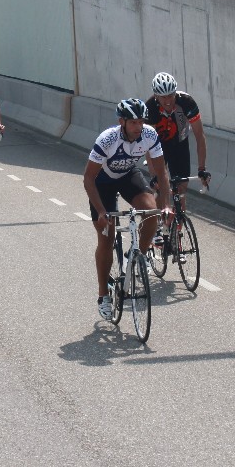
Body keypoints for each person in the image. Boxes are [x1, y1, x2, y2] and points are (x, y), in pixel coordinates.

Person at [83, 99, 172, 322]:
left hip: (127, 176)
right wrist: (101, 211)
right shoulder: (107, 139)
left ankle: (137, 257)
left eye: (141, 121)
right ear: (121, 122)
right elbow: (88, 178)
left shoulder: (149, 134)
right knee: (106, 238)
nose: (138, 126)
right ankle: (103, 295)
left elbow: (161, 172)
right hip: (102, 183)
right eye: (133, 122)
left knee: (151, 212)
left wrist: (166, 205)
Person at [144, 72, 211, 233]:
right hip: (158, 147)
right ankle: (159, 226)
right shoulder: (150, 108)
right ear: (156, 96)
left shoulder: (186, 102)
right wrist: (154, 176)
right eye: (163, 97)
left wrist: (202, 168)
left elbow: (200, 136)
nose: (168, 100)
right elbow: (148, 145)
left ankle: (176, 232)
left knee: (181, 189)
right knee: (160, 187)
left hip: (180, 144)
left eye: (171, 95)